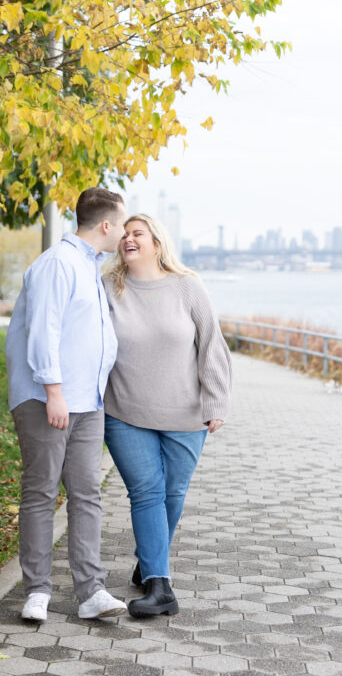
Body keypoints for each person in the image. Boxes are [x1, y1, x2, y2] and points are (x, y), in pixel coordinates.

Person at [5, 187, 129, 623]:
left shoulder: (88, 268)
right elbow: (43, 331)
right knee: (41, 492)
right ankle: (36, 591)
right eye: (122, 223)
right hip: (49, 398)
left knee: (86, 495)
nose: (124, 232)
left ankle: (91, 592)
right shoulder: (58, 264)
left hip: (86, 401)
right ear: (106, 225)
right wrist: (53, 391)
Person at [102, 213, 232, 619]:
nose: (128, 239)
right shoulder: (107, 287)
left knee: (172, 495)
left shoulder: (187, 286)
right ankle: (162, 588)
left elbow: (211, 344)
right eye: (124, 234)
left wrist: (216, 402)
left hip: (185, 413)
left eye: (137, 233)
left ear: (157, 242)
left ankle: (149, 562)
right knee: (147, 492)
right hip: (124, 411)